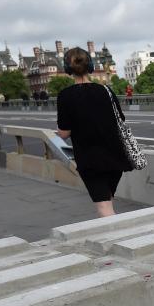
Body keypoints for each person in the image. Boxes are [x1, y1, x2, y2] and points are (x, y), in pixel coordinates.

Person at [56, 46, 133, 218]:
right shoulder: (106, 90)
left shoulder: (65, 96)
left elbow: (64, 133)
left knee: (104, 208)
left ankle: (120, 240)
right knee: (107, 200)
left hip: (90, 159)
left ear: (68, 69)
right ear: (89, 66)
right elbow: (121, 119)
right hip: (115, 156)